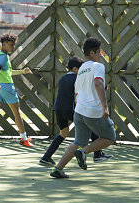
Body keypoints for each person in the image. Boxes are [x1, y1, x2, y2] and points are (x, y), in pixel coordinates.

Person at [50, 38, 116, 178]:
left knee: (78, 142)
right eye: (99, 52)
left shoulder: (81, 69)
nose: (100, 55)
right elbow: (98, 84)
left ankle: (58, 168)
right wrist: (105, 106)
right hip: (92, 111)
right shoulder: (98, 66)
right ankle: (83, 152)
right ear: (92, 52)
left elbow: (77, 90)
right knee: (110, 137)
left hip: (79, 111)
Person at [40, 57, 112, 165]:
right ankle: (97, 155)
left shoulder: (62, 78)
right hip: (71, 108)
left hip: (58, 109)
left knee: (63, 133)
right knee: (90, 125)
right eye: (80, 69)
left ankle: (46, 157)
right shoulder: (77, 78)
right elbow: (89, 88)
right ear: (74, 69)